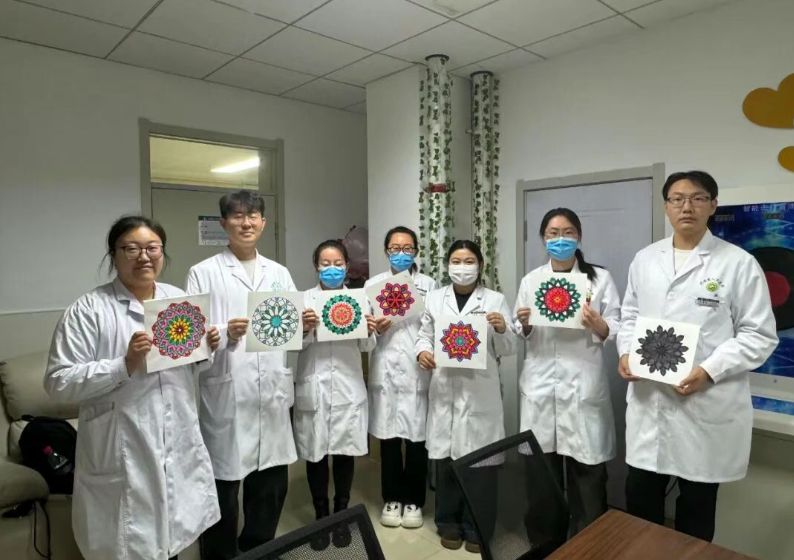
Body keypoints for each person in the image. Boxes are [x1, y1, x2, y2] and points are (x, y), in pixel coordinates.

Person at [44, 216, 221, 560]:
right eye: (132, 249)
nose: (144, 257)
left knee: (172, 538)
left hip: (176, 434)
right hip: (122, 446)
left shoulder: (178, 300)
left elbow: (189, 365)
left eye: (152, 248)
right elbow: (58, 382)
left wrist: (205, 349)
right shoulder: (88, 310)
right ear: (114, 254)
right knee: (129, 543)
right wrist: (123, 365)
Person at [617, 171, 777, 542]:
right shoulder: (645, 259)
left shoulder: (737, 263)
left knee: (696, 514)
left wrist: (709, 370)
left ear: (712, 205)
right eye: (677, 199)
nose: (686, 206)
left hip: (704, 407)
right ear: (666, 207)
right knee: (640, 507)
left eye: (697, 198)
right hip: (650, 405)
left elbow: (759, 334)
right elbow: (629, 316)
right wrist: (626, 352)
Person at [186, 191, 297, 560]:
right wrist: (225, 332)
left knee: (270, 486)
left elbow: (289, 327)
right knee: (224, 490)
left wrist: (307, 324)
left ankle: (258, 550)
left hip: (271, 395)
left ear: (263, 222)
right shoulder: (202, 273)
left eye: (253, 216)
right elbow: (191, 338)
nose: (246, 223)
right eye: (237, 216)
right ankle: (220, 555)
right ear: (224, 223)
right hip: (228, 392)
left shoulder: (279, 273)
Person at [513, 208, 620, 534]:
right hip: (541, 387)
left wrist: (599, 324)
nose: (561, 239)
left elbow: (618, 324)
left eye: (568, 232)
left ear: (579, 236)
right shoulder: (532, 280)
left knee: (587, 477)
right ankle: (545, 544)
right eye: (553, 233)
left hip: (582, 387)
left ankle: (589, 546)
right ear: (543, 238)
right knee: (541, 479)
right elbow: (520, 328)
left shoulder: (599, 279)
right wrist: (525, 324)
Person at [415, 240, 515, 553]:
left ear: (480, 265)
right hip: (445, 386)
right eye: (456, 261)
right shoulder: (435, 298)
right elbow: (424, 335)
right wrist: (423, 352)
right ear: (447, 265)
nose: (462, 267)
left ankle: (477, 526)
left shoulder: (495, 300)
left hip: (480, 391)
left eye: (469, 261)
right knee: (446, 463)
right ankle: (448, 522)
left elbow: (509, 348)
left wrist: (502, 329)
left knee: (481, 466)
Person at [296, 240, 377, 549]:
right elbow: (292, 345)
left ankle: (341, 515)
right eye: (325, 264)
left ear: (347, 266)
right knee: (315, 454)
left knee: (344, 452)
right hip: (314, 384)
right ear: (316, 266)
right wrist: (304, 329)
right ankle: (321, 517)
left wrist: (369, 330)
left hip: (347, 387)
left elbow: (366, 347)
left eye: (338, 263)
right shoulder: (304, 300)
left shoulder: (359, 299)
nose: (332, 269)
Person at [365, 226, 438, 529]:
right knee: (390, 440)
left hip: (417, 370)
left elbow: (432, 326)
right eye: (395, 248)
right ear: (386, 251)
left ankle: (415, 501)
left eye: (407, 248)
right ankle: (392, 498)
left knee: (417, 440)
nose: (401, 253)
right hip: (386, 369)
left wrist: (426, 351)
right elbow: (364, 330)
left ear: (416, 251)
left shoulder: (429, 285)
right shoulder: (373, 285)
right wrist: (375, 329)